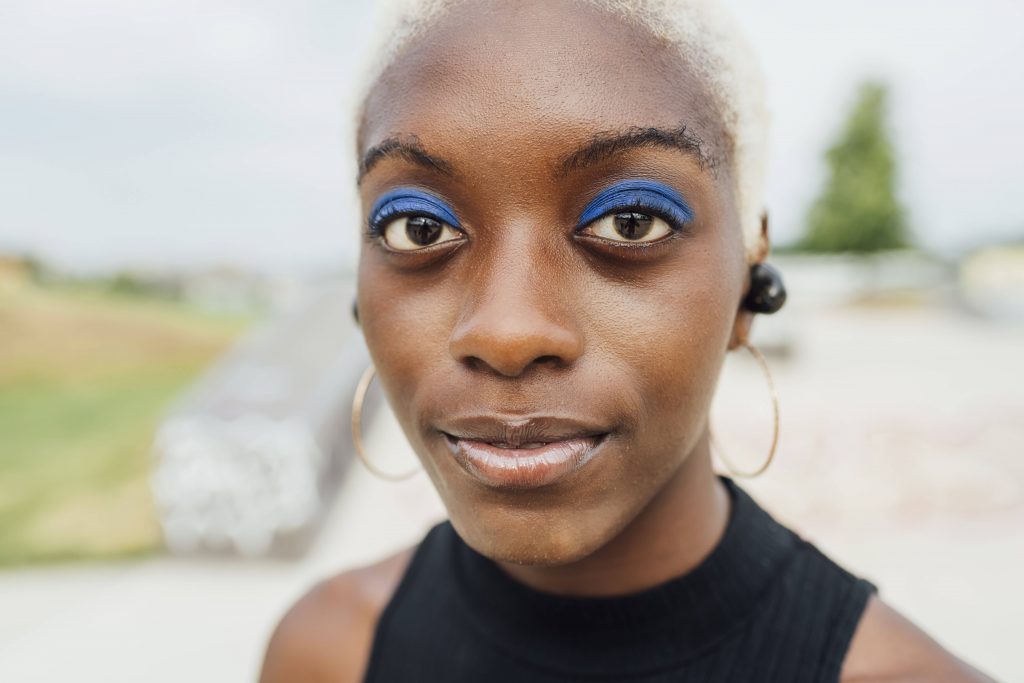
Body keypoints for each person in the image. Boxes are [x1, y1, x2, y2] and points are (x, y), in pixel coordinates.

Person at [261, 1, 992, 680]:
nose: (508, 333)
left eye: (631, 221)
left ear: (749, 278)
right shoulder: (328, 651)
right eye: (417, 228)